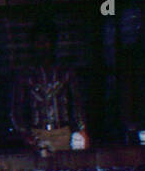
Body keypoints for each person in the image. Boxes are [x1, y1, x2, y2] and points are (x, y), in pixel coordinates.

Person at [11, 20, 88, 151]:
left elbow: (77, 103)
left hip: (63, 133)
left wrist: (83, 130)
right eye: (38, 42)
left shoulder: (66, 72)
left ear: (53, 44)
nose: (43, 46)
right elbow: (17, 108)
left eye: (46, 42)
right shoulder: (25, 74)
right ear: (33, 45)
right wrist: (25, 134)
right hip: (37, 134)